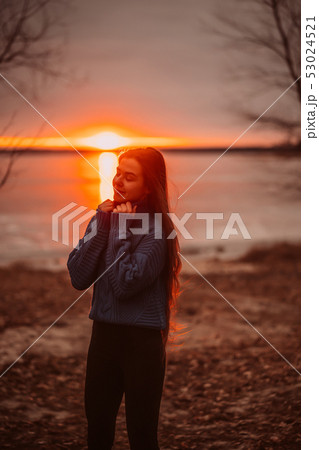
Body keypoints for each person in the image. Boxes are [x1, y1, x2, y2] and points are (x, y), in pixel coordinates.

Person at [67, 146, 182, 449]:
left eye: (129, 177)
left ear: (148, 186)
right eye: (118, 173)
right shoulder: (104, 218)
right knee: (98, 432)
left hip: (141, 343)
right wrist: (102, 223)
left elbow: (124, 283)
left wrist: (120, 228)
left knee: (142, 437)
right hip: (103, 337)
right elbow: (79, 277)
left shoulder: (158, 231)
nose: (118, 181)